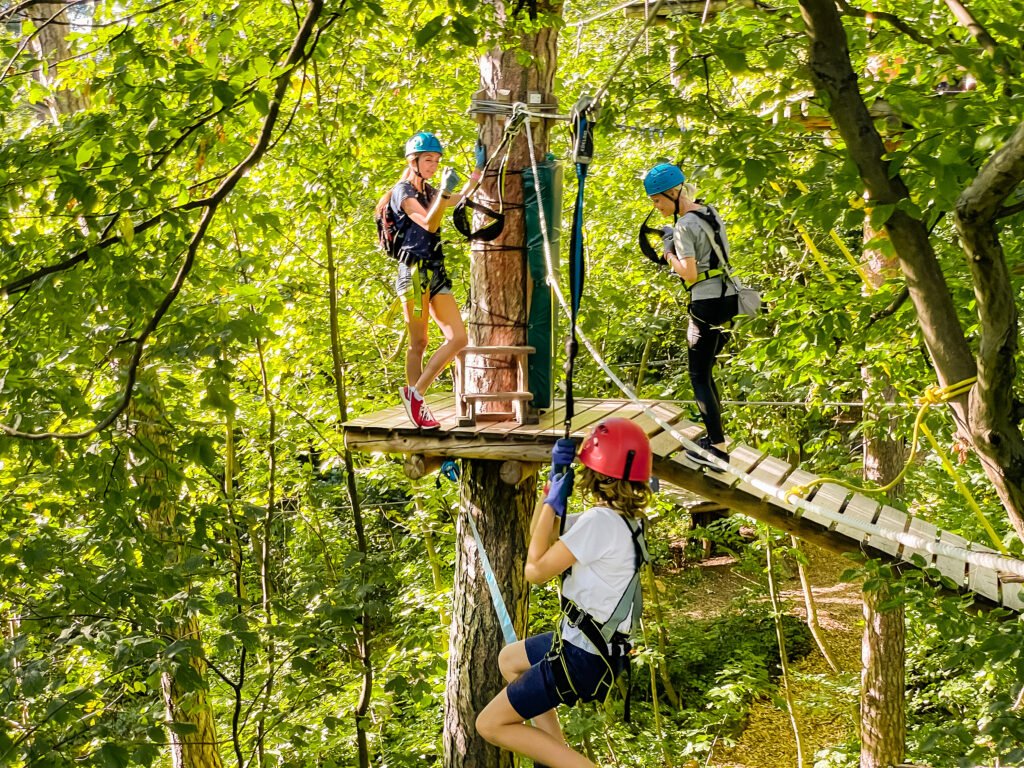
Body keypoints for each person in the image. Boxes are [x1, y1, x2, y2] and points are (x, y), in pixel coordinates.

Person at [476, 419, 651, 768]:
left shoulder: (599, 523)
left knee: (490, 725)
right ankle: (556, 755)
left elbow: (535, 571)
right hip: (596, 648)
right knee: (510, 660)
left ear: (596, 475)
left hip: (582, 655)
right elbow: (543, 534)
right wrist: (550, 492)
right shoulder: (626, 522)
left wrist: (554, 500)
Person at [376, 131, 484, 429]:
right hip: (413, 273)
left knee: (459, 338)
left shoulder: (427, 191)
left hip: (435, 271)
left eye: (436, 160)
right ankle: (417, 408)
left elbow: (461, 199)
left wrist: (478, 169)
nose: (433, 165)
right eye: (427, 160)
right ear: (412, 161)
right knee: (419, 342)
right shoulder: (403, 193)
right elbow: (428, 222)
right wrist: (445, 192)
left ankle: (415, 394)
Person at [643, 162, 738, 467]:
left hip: (706, 304)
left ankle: (717, 449)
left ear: (673, 193)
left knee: (698, 375)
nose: (656, 206)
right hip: (729, 299)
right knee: (706, 371)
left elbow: (689, 273)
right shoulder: (709, 212)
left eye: (657, 200)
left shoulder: (684, 225)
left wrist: (668, 250)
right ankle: (717, 437)